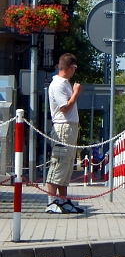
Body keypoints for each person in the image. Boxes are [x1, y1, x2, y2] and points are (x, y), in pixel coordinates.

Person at [45, 53, 84, 214]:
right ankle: (52, 201)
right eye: (74, 67)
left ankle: (63, 199)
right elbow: (64, 108)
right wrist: (76, 93)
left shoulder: (65, 83)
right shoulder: (58, 85)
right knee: (59, 163)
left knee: (67, 166)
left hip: (70, 127)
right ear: (70, 67)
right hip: (62, 127)